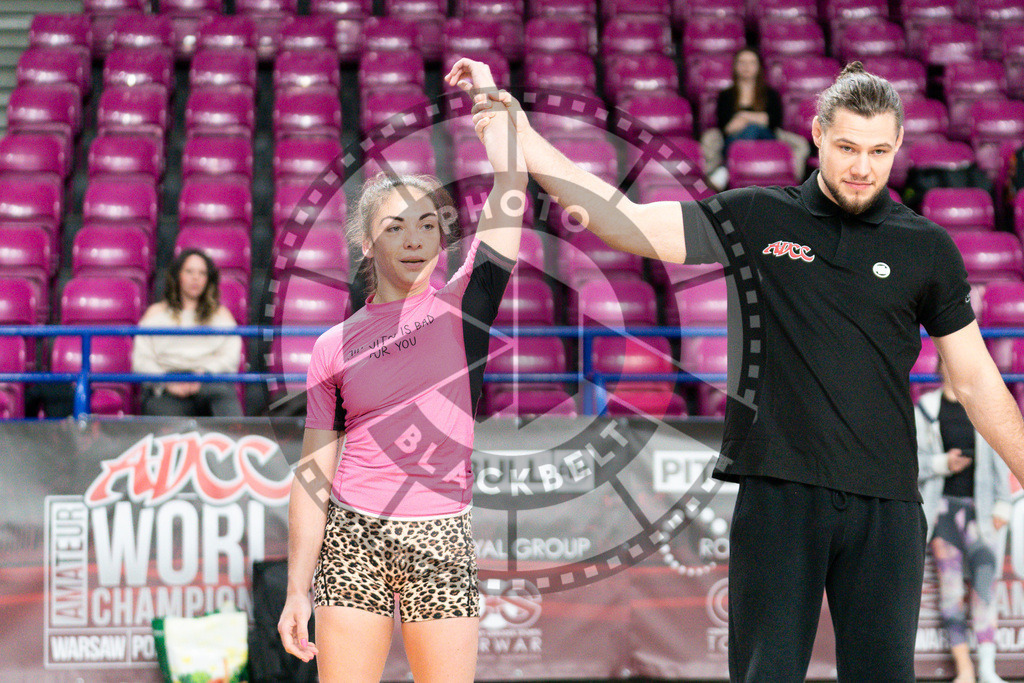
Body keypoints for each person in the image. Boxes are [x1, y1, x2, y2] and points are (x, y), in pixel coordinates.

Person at [462, 57, 1024, 681]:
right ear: (815, 134)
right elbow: (627, 221)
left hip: (886, 506)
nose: (863, 167)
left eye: (879, 151)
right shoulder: (759, 216)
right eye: (846, 147)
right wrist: (519, 132)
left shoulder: (927, 248)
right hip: (778, 496)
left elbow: (974, 381)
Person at [276, 62, 526, 683]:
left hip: (441, 539)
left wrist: (491, 102)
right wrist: (296, 590)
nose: (414, 237)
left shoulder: (466, 306)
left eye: (427, 224)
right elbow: (312, 475)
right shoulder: (332, 345)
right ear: (366, 243)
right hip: (353, 540)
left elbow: (511, 192)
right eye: (395, 226)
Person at [918, 358, 1011, 683]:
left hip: (982, 513)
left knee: (986, 586)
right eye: (949, 363)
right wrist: (943, 463)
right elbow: (911, 460)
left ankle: (987, 668)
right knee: (950, 590)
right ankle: (965, 671)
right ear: (940, 367)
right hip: (943, 512)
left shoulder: (982, 407)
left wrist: (1004, 503)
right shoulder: (927, 408)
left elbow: (1002, 452)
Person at [132, 248, 243, 417]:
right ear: (178, 276)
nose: (195, 278)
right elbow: (141, 360)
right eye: (189, 271)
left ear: (208, 279)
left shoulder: (221, 315)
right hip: (167, 385)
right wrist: (167, 382)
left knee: (227, 406)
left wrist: (203, 375)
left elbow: (230, 357)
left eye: (202, 273)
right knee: (165, 419)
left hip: (209, 381)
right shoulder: (155, 314)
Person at [702, 47, 808, 190]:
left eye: (752, 62)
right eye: (742, 62)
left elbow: (773, 123)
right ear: (735, 66)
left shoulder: (770, 94)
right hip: (733, 139)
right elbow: (726, 128)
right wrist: (758, 118)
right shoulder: (726, 95)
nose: (747, 67)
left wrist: (743, 116)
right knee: (750, 129)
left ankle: (726, 169)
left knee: (753, 129)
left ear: (758, 67)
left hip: (767, 139)